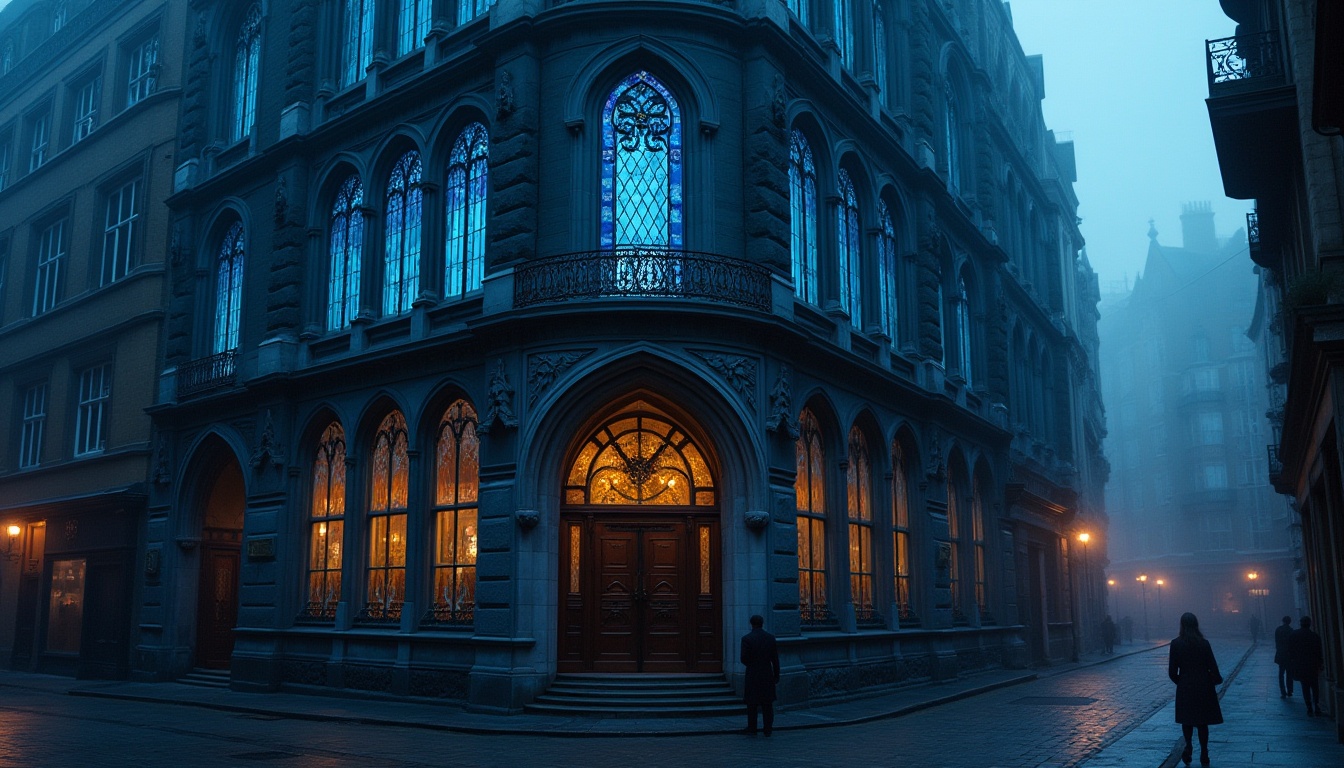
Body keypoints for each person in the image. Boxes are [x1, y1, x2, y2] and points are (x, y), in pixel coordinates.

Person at [1168, 612, 1222, 767]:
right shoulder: (1204, 643)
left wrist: (1182, 682)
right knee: (1202, 722)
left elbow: (1172, 672)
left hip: (1185, 686)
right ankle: (1204, 751)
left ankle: (1189, 745)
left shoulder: (1176, 643)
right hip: (1204, 686)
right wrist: (1215, 679)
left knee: (1187, 720)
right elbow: (1213, 667)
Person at [740, 614, 781, 736]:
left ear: (751, 624)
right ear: (762, 623)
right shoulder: (770, 638)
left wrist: (752, 664)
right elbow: (775, 659)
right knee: (767, 704)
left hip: (753, 674)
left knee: (752, 704)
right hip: (767, 673)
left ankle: (752, 728)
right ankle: (767, 728)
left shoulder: (747, 639)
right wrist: (776, 675)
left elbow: (743, 658)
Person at [1288, 615, 1324, 716]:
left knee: (1305, 687)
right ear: (1310, 624)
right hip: (1313, 665)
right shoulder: (1315, 636)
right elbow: (1318, 651)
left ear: (1300, 623)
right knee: (1315, 686)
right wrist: (1320, 663)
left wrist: (1293, 663)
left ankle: (1308, 707)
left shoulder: (1294, 635)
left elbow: (1290, 651)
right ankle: (1316, 705)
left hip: (1301, 665)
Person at [1273, 615, 1294, 698]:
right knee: (1289, 674)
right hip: (1289, 655)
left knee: (1281, 674)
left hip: (1281, 654)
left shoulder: (1278, 629)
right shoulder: (1291, 630)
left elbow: (1276, 642)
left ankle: (1283, 692)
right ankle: (1290, 690)